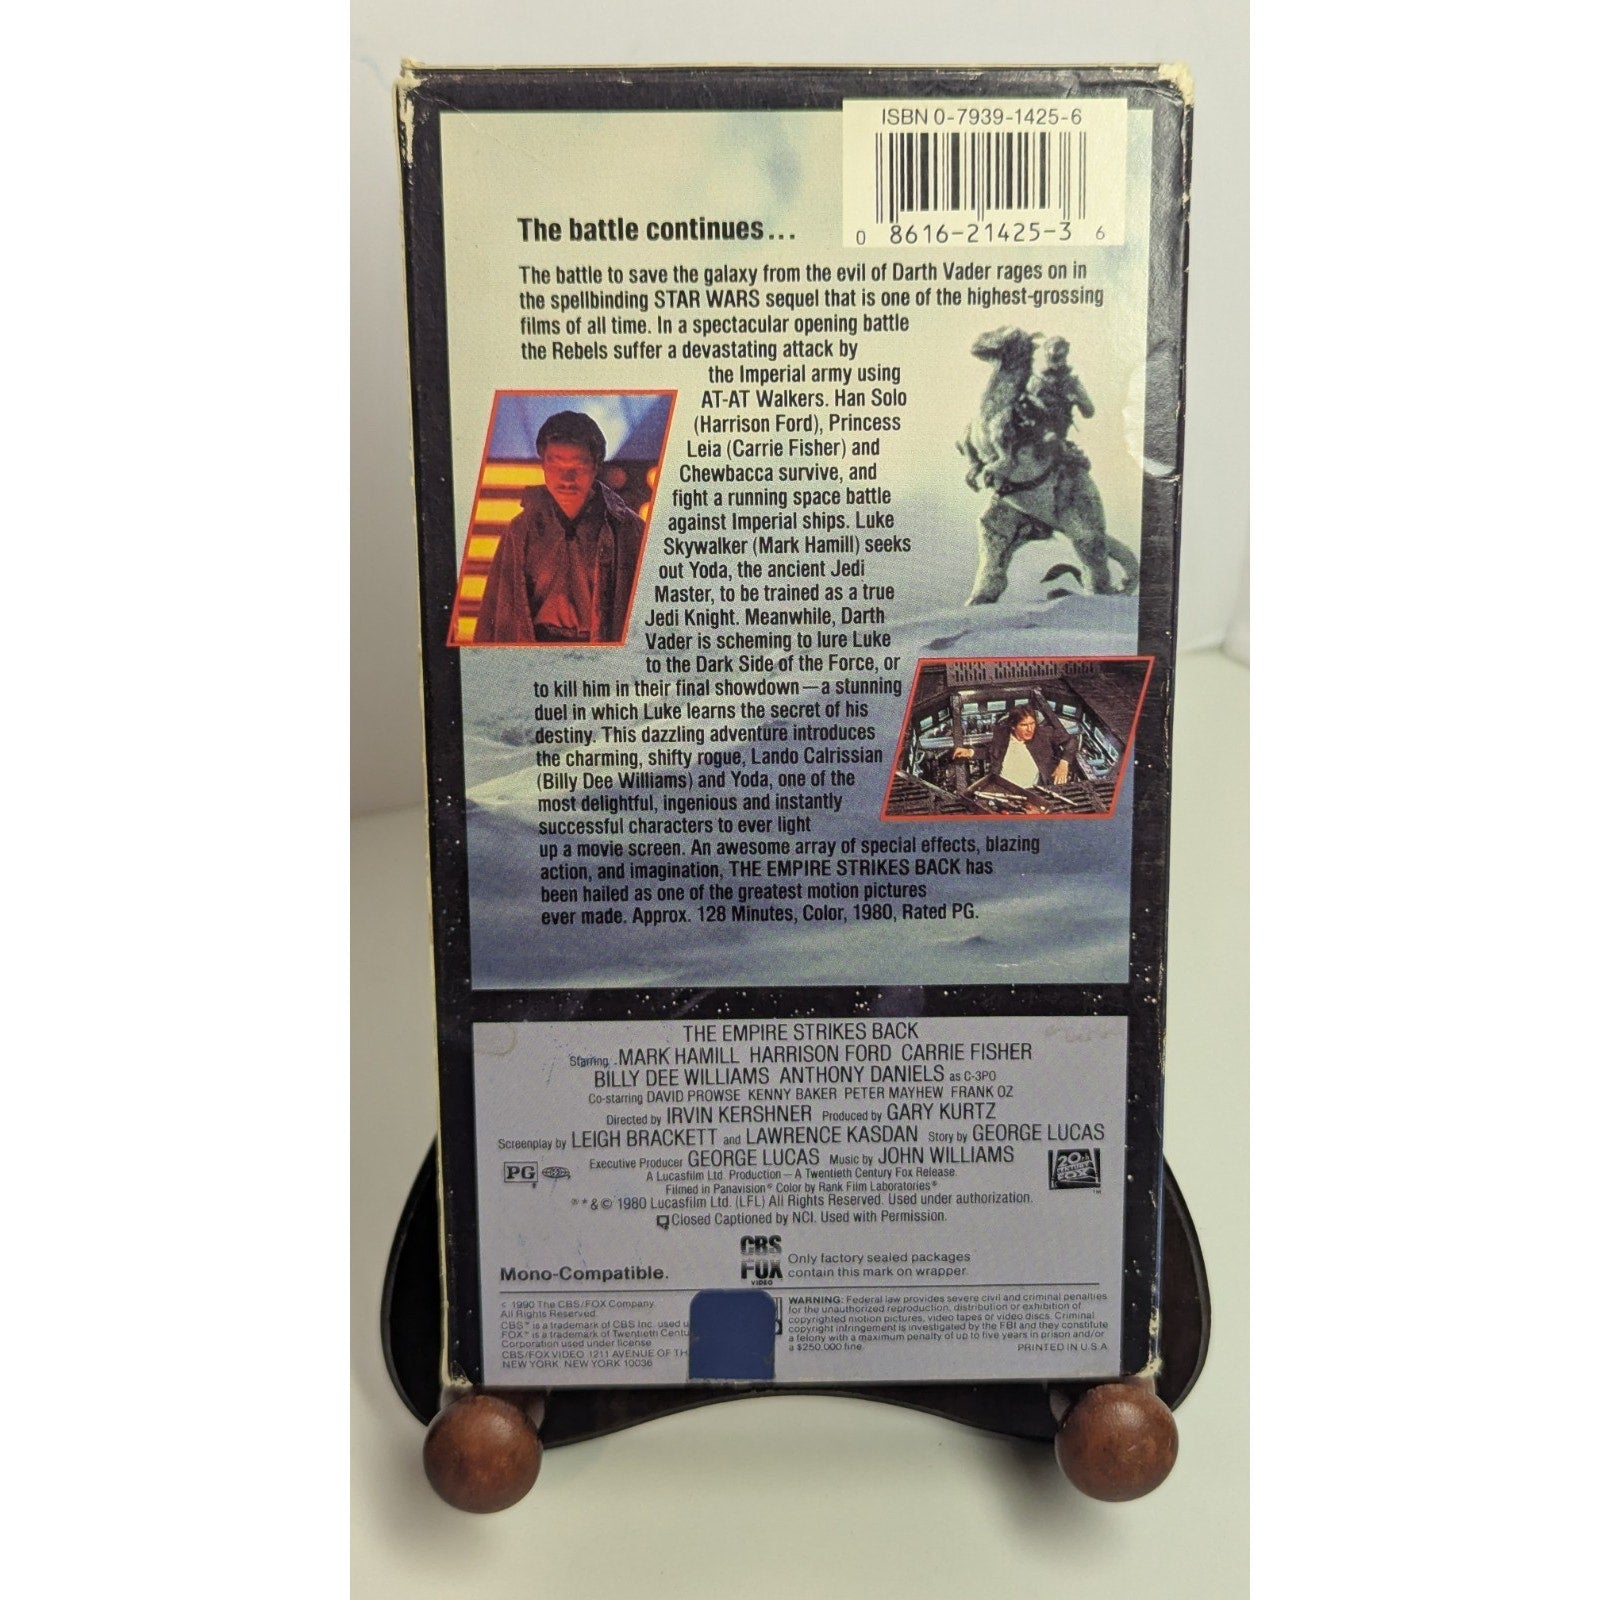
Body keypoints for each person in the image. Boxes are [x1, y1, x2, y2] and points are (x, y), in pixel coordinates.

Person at [473, 411, 645, 643]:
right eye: (555, 465)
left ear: (596, 465)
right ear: (543, 465)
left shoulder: (628, 530)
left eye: (578, 466)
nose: (566, 478)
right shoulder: (520, 531)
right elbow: (494, 617)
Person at [979, 706, 1082, 789]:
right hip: (1003, 788)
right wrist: (972, 752)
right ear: (1013, 726)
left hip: (1033, 790)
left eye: (1032, 723)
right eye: (1024, 725)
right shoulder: (1002, 735)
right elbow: (992, 752)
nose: (1030, 729)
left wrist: (1064, 764)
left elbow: (1071, 741)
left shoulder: (1042, 734)